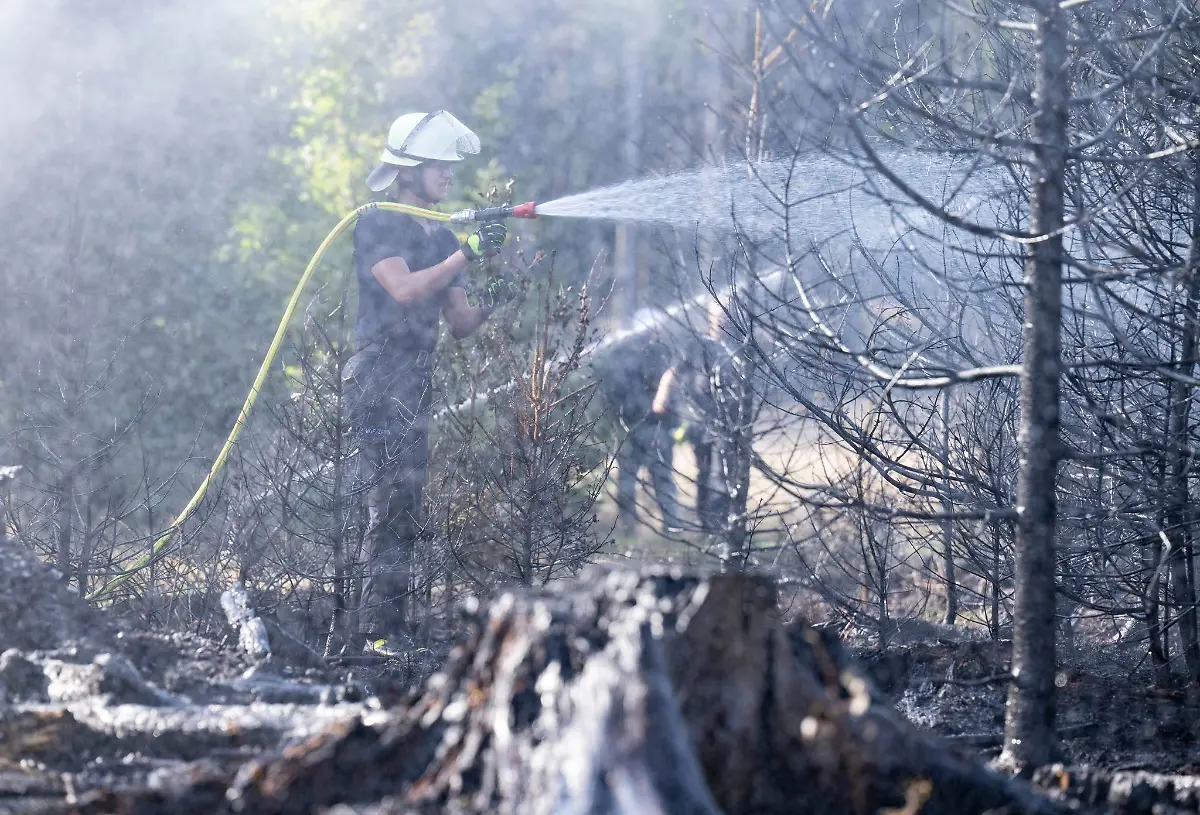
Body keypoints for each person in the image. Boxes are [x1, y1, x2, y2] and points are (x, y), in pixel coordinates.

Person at [345, 110, 516, 651]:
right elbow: (405, 290)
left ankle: (391, 626)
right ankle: (374, 631)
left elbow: (460, 323)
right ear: (408, 171)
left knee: (408, 501)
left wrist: (499, 294)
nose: (448, 175)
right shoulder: (379, 223)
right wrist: (467, 251)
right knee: (385, 500)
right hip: (376, 372)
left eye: (449, 166)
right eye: (438, 165)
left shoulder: (441, 235)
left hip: (415, 375)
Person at [652, 299, 732, 533]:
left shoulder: (739, 347)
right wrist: (661, 397)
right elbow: (672, 372)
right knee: (706, 472)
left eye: (728, 315)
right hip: (699, 422)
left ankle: (723, 525)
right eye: (720, 315)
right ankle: (708, 523)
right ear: (711, 318)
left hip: (729, 424)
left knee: (722, 473)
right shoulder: (697, 345)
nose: (724, 320)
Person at [605, 339, 680, 534]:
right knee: (656, 480)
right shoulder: (660, 356)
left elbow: (614, 397)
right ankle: (669, 525)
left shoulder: (620, 359)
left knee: (631, 480)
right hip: (651, 429)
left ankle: (631, 525)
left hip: (637, 429)